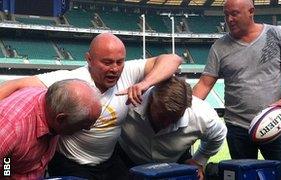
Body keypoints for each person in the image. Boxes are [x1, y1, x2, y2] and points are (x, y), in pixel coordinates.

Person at [0, 33, 182, 179]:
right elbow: (15, 85)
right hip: (71, 164)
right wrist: (7, 172)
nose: (115, 68)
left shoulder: (127, 73)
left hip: (107, 161)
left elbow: (173, 59)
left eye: (120, 62)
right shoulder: (67, 84)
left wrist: (144, 84)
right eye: (107, 62)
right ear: (89, 59)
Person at [192, 0, 281, 179]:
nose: (229, 19)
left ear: (251, 11)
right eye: (226, 14)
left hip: (272, 124)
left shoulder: (276, 34)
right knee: (244, 177)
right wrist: (186, 108)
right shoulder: (219, 47)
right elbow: (205, 83)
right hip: (238, 128)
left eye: (234, 14)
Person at [118, 76, 227, 180]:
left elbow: (218, 135)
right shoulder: (125, 102)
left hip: (174, 165)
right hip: (124, 160)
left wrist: (199, 161)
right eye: (162, 116)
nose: (166, 123)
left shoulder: (204, 116)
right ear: (151, 99)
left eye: (175, 118)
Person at [0, 79, 101, 179]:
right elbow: (7, 160)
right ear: (60, 119)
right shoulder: (10, 130)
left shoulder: (55, 100)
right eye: (84, 123)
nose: (88, 128)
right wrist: (6, 174)